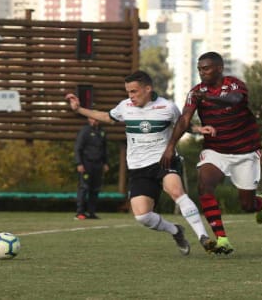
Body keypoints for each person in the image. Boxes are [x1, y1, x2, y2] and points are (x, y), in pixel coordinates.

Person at [66, 70, 217, 255]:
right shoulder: (125, 107)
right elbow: (106, 116)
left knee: (176, 191)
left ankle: (203, 237)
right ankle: (176, 231)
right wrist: (79, 109)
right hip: (138, 167)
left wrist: (199, 129)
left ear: (148, 89)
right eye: (128, 92)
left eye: (134, 91)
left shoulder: (167, 107)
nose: (130, 96)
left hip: (164, 160)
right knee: (143, 216)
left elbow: (182, 124)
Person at [160, 51, 262, 255]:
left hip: (245, 151)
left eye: (206, 68)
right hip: (215, 150)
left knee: (246, 205)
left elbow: (234, 101)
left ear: (219, 68)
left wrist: (209, 97)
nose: (202, 72)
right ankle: (222, 239)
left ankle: (259, 202)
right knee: (204, 185)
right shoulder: (196, 92)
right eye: (199, 69)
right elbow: (184, 119)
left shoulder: (234, 85)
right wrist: (170, 146)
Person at [74, 117, 109, 220]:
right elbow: (78, 148)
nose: (95, 121)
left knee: (95, 189)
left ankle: (91, 212)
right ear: (89, 119)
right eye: (93, 119)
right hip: (86, 164)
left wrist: (106, 163)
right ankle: (80, 212)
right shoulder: (85, 131)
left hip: (98, 165)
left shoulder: (102, 132)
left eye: (97, 119)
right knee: (84, 188)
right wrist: (79, 163)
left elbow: (105, 148)